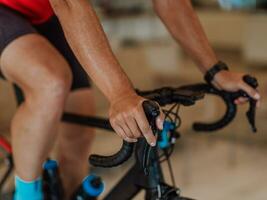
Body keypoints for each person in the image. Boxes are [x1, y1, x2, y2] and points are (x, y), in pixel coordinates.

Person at [0, 0, 260, 199]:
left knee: (79, 130)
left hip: (44, 12)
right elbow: (70, 4)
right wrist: (120, 94)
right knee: (51, 82)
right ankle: (26, 194)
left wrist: (215, 72)